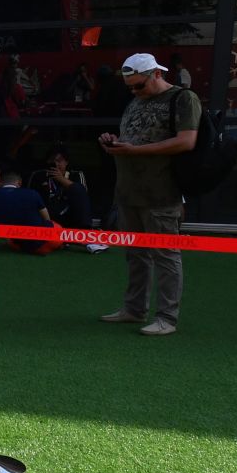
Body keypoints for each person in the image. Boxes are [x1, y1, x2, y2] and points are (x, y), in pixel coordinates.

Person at [98, 52, 200, 336]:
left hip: (161, 192)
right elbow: (133, 138)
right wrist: (114, 142)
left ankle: (167, 317)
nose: (134, 91)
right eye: (130, 86)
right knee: (135, 253)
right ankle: (134, 308)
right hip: (130, 190)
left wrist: (135, 150)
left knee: (166, 254)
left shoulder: (183, 98)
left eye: (139, 85)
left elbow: (186, 141)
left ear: (157, 74)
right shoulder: (135, 101)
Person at [0, 169, 64, 255]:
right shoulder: (32, 193)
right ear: (19, 182)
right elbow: (47, 218)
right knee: (55, 226)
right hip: (47, 241)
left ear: (1, 182)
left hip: (19, 245)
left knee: (10, 239)